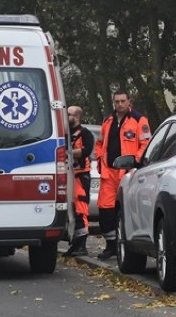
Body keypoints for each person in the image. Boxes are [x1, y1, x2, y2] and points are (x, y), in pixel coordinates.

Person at [94, 90, 151, 260]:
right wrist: (99, 158)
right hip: (108, 172)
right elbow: (99, 143)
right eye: (116, 101)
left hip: (128, 173)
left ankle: (127, 245)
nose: (119, 104)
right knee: (105, 209)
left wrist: (136, 161)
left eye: (122, 101)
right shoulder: (108, 121)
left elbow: (146, 143)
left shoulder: (139, 120)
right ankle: (111, 244)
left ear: (129, 101)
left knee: (127, 209)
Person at [64, 105, 94, 257]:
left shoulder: (85, 133)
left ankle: (81, 245)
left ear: (76, 117)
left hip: (81, 176)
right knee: (71, 210)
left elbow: (85, 151)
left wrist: (66, 152)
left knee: (81, 209)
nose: (65, 116)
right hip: (68, 175)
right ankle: (74, 244)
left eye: (68, 114)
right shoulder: (66, 133)